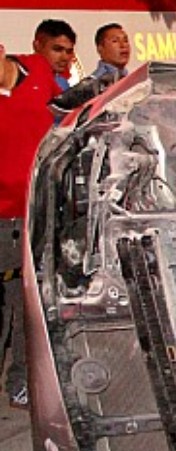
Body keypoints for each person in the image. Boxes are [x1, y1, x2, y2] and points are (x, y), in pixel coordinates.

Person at [0, 29, 65, 408]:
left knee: (32, 303)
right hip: (4, 221)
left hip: (42, 212)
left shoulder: (38, 71)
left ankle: (22, 380)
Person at [31, 19, 75, 92]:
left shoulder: (62, 84)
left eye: (69, 51)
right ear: (37, 46)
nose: (65, 57)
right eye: (57, 49)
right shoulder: (16, 78)